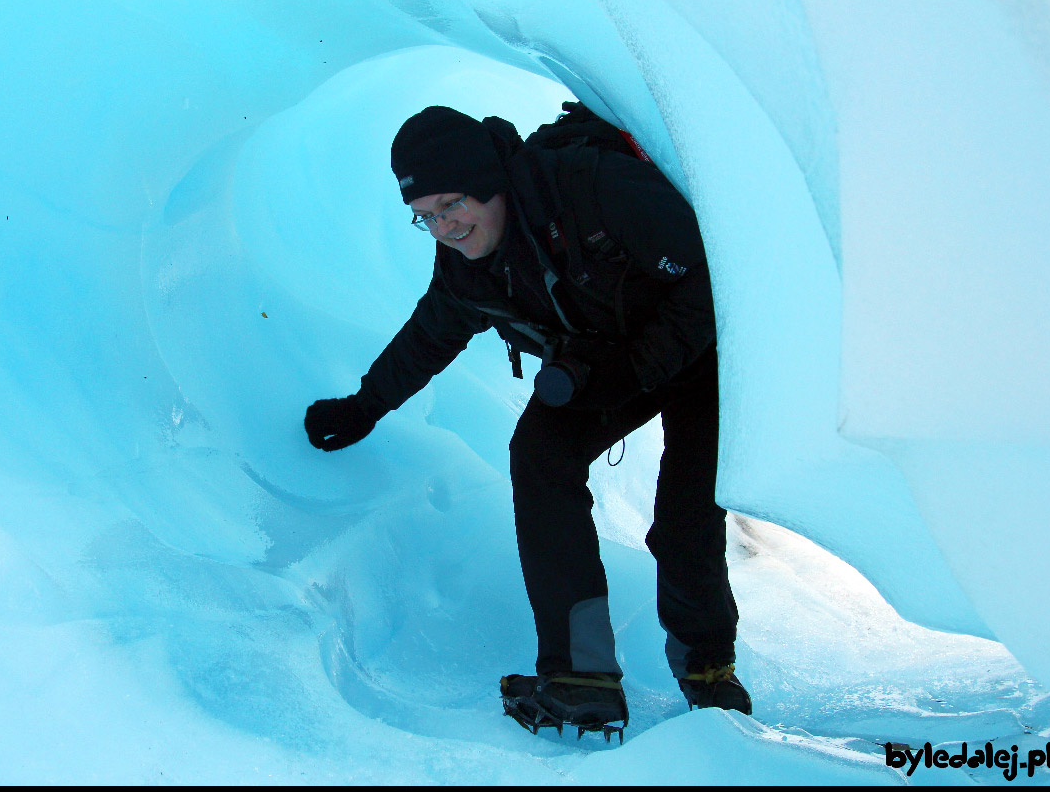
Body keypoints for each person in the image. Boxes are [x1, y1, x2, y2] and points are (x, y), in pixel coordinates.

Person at [303, 105, 751, 735]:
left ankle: (709, 673)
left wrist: (637, 367)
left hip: (702, 349)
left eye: (452, 203)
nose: (445, 226)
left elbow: (711, 275)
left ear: (489, 183)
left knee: (684, 519)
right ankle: (580, 678)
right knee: (540, 456)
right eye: (425, 215)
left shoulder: (589, 186)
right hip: (604, 361)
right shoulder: (470, 266)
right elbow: (430, 336)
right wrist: (363, 407)